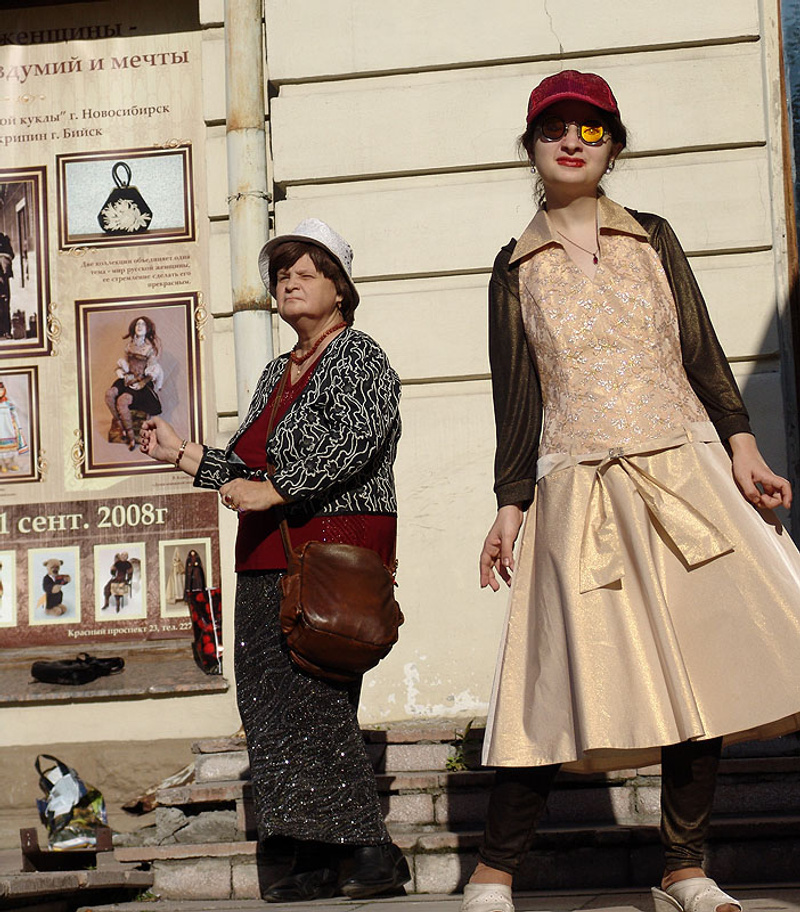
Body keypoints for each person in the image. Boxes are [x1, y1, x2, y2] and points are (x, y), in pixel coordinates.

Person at [463, 70, 800, 912]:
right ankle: (494, 872)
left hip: (685, 473)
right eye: (554, 129)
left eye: (591, 128)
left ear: (613, 146)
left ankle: (684, 866)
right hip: (579, 490)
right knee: (551, 678)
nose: (572, 142)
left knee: (704, 667)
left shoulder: (654, 238)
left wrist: (743, 447)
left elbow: (703, 352)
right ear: (532, 148)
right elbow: (517, 400)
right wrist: (509, 506)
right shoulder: (514, 269)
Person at [139, 218, 409, 902]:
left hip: (329, 552)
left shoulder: (360, 357)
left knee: (315, 698)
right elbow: (248, 466)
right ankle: (313, 852)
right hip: (266, 554)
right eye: (282, 272)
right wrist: (182, 453)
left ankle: (372, 850)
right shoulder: (275, 372)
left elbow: (354, 437)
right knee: (267, 702)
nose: (289, 281)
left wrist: (278, 488)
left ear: (340, 290)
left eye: (306, 271)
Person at [105, 315, 163, 450]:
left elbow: (154, 370)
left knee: (122, 401)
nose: (140, 326)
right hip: (128, 378)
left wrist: (142, 382)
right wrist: (121, 372)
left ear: (148, 329)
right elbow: (125, 363)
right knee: (109, 394)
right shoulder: (129, 346)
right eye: (137, 324)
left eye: (143, 324)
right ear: (133, 327)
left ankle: (131, 436)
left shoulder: (150, 349)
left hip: (142, 383)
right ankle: (120, 424)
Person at [0, 379, 27, 473]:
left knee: (12, 446)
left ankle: (11, 462)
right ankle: (2, 464)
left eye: (1, 390)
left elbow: (14, 413)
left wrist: (17, 425)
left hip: (9, 428)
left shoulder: (8, 403)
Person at [0, 232, 14, 339]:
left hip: (3, 278)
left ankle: (6, 331)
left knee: (4, 304)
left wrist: (2, 257)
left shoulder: (3, 239)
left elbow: (11, 254)